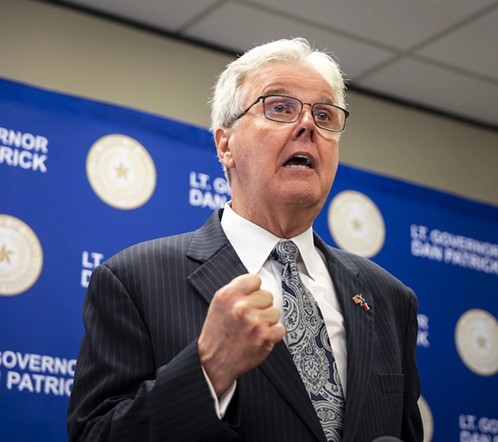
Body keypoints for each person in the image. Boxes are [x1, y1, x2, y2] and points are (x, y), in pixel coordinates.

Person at [67, 37, 423, 442]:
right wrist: (208, 369)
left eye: (324, 115)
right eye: (280, 108)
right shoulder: (134, 280)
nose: (307, 125)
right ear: (225, 145)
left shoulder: (388, 299)